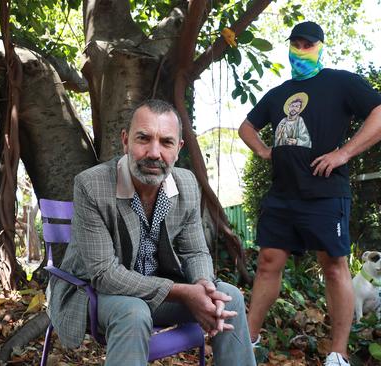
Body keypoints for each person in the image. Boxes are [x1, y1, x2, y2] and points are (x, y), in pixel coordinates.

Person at [48, 99, 256, 366]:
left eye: (166, 142)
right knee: (132, 312)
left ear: (178, 148)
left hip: (158, 292)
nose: (154, 153)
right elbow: (104, 275)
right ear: (125, 141)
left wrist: (203, 284)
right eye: (143, 139)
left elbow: (194, 250)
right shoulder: (92, 185)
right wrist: (183, 291)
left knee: (229, 298)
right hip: (94, 294)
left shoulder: (187, 184)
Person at [238, 21, 381, 366]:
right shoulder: (279, 93)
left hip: (325, 193)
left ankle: (337, 353)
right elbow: (246, 127)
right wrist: (266, 150)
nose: (301, 49)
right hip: (282, 194)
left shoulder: (341, 82)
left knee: (334, 265)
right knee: (268, 263)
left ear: (320, 47)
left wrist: (344, 153)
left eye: (308, 44)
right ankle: (246, 341)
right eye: (295, 43)